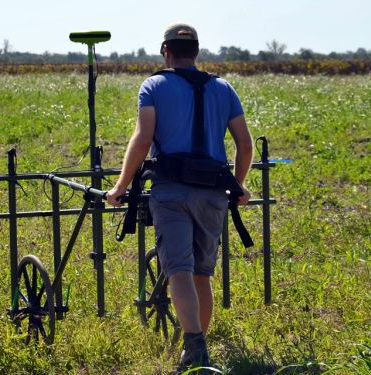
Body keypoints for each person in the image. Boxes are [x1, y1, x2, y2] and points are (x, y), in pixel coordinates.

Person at [107, 23, 253, 373]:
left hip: (171, 191)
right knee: (202, 274)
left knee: (180, 272)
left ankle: (195, 352)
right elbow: (245, 145)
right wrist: (240, 186)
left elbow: (143, 140)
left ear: (165, 51)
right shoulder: (223, 87)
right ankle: (200, 347)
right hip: (214, 192)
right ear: (197, 53)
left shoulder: (154, 85)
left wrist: (121, 186)